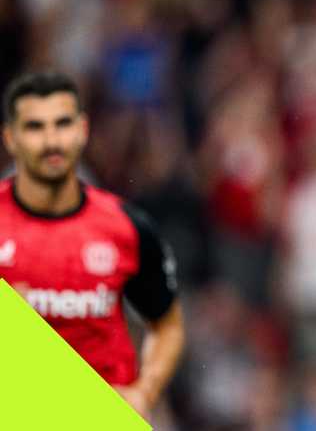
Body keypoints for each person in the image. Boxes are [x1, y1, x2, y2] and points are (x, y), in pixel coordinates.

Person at [0, 71, 183, 420]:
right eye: (35, 127)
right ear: (11, 138)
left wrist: (145, 391)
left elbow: (167, 325)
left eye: (63, 124)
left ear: (83, 130)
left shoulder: (127, 227)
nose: (51, 140)